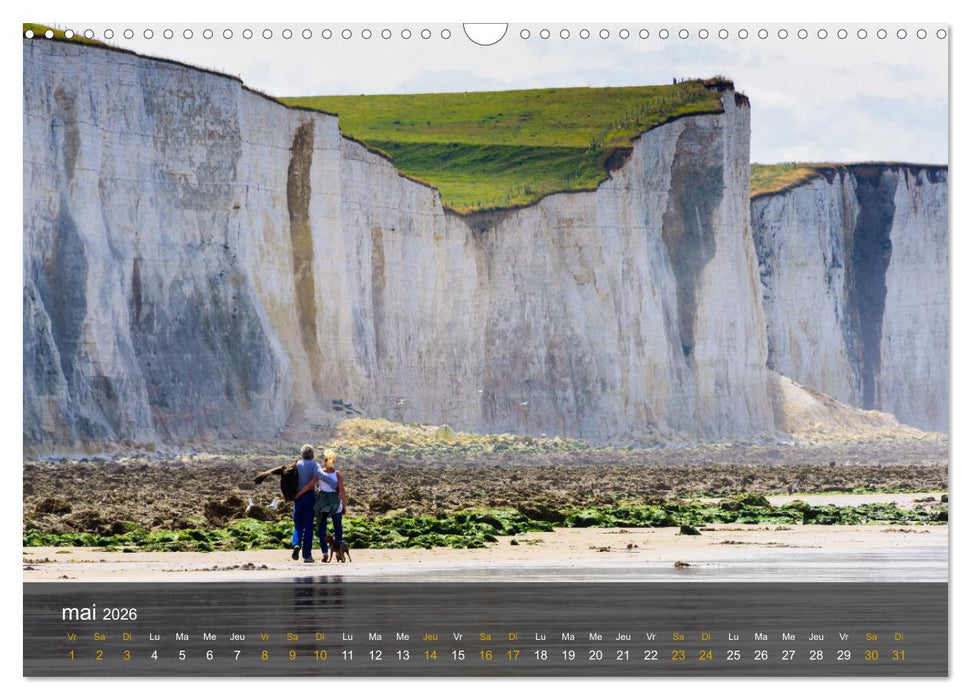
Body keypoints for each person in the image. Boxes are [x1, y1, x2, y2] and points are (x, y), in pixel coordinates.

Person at [293, 448, 347, 562]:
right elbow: (342, 491)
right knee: (338, 527)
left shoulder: (319, 473)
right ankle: (338, 552)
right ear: (334, 460)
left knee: (321, 527)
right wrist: (344, 505)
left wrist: (298, 494)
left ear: (325, 460)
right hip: (335, 502)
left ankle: (325, 552)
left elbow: (309, 485)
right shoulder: (338, 474)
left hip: (322, 502)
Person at [290, 444, 327, 563]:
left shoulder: (296, 464)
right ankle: (307, 555)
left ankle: (296, 544)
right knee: (308, 527)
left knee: (298, 525)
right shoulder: (314, 464)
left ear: (302, 454)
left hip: (297, 498)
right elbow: (321, 476)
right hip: (309, 497)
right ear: (312, 455)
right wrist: (334, 482)